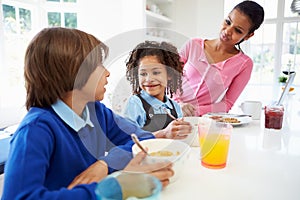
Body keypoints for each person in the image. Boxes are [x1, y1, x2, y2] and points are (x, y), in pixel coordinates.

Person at [1, 27, 174, 200]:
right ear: (74, 71)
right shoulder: (35, 130)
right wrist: (116, 187)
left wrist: (105, 164)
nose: (107, 73)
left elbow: (143, 139)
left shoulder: (96, 112)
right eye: (99, 65)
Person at [173, 0, 265, 116]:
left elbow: (227, 104)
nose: (227, 31)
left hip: (201, 121)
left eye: (238, 30)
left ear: (248, 36)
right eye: (228, 22)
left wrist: (194, 111)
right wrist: (178, 105)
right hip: (168, 110)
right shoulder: (193, 45)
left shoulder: (244, 64)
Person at [123, 41, 192, 139]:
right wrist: (163, 133)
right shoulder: (136, 103)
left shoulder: (175, 107)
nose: (149, 79)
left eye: (156, 72)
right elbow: (128, 139)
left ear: (169, 74)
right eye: (143, 74)